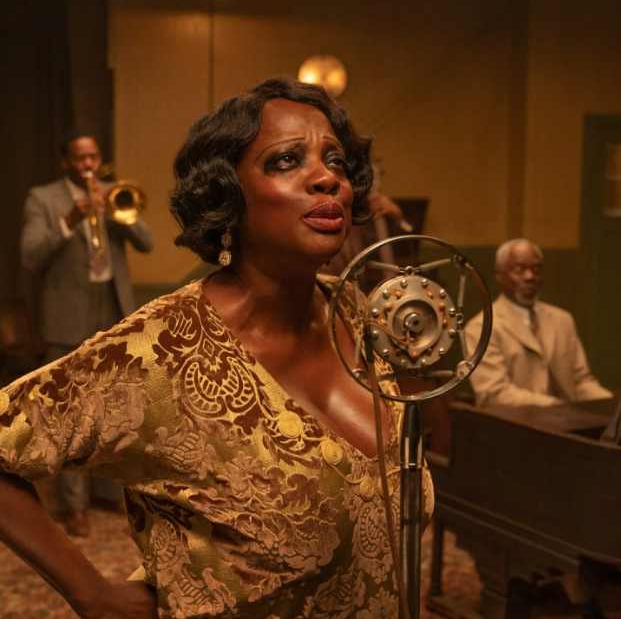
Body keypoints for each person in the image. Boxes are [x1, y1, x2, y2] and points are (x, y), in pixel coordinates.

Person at [0, 77, 433, 619]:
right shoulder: (161, 351)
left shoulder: (358, 311)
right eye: (286, 161)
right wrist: (95, 596)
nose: (326, 178)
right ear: (227, 193)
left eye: (337, 162)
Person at [19, 131, 154, 536]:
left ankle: (108, 495)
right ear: (65, 162)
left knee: (113, 409)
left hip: (113, 312)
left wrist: (116, 213)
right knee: (66, 414)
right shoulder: (42, 199)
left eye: (93, 156)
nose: (88, 165)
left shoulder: (115, 194)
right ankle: (73, 505)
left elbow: (146, 242)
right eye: (80, 159)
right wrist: (70, 220)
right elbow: (29, 256)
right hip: (66, 315)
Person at [465, 238, 612, 408]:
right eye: (519, 270)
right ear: (499, 274)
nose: (530, 277)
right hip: (513, 427)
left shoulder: (562, 320)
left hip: (567, 423)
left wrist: (611, 405)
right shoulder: (482, 327)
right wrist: (555, 405)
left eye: (535, 270)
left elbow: (580, 382)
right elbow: (494, 394)